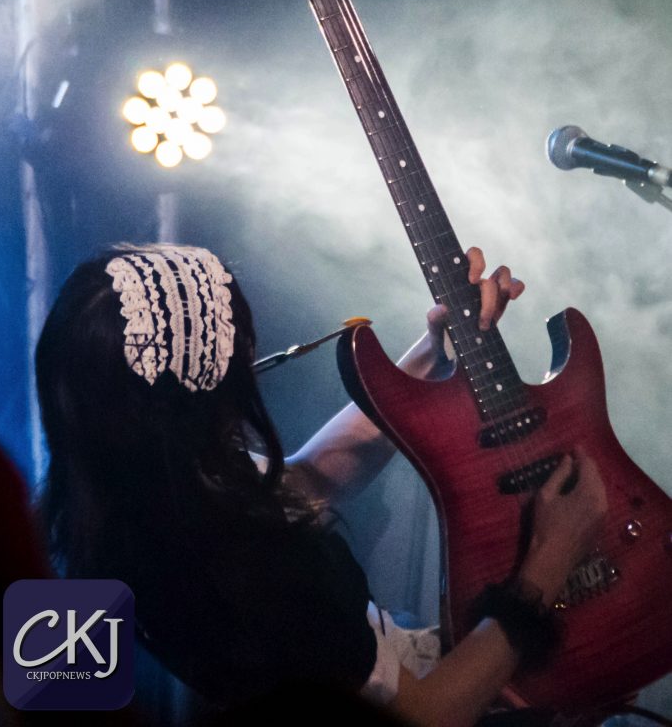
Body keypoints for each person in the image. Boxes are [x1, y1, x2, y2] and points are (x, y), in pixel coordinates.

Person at [35, 244, 607, 727]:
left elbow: (304, 480)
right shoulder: (257, 573)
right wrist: (549, 562)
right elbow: (425, 718)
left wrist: (437, 352)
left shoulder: (127, 493)